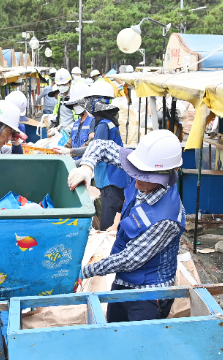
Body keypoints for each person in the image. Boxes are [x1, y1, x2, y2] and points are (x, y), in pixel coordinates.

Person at [68, 130, 185, 322]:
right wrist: (87, 167)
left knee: (138, 345)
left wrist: (83, 272)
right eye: (136, 172)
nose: (136, 180)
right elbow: (101, 146)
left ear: (162, 176)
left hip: (149, 294)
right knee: (114, 329)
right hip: (124, 280)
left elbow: (130, 259)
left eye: (144, 177)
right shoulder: (140, 167)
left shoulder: (167, 218)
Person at [64, 81, 131, 230]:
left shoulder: (102, 125)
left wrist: (69, 162)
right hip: (116, 180)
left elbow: (95, 152)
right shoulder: (108, 122)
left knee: (108, 228)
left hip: (110, 181)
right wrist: (70, 152)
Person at [53, 81, 92, 160]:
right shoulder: (76, 124)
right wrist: (60, 150)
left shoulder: (93, 121)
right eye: (73, 104)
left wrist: (70, 152)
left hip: (86, 167)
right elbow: (69, 143)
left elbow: (90, 146)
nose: (75, 106)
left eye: (77, 104)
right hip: (74, 165)